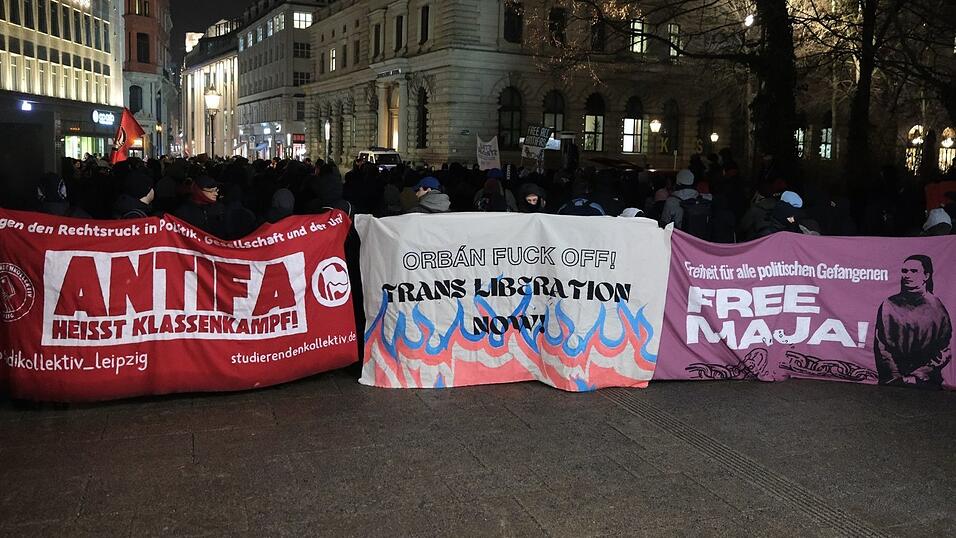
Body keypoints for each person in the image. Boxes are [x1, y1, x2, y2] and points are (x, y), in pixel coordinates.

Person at [874, 255, 952, 388]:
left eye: (914, 271)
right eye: (904, 271)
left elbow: (945, 348)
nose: (907, 275)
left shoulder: (938, 308)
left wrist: (919, 374)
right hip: (893, 382)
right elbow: (882, 344)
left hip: (927, 382)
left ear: (926, 276)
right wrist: (896, 377)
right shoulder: (889, 305)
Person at [661, 169, 712, 239]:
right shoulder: (703, 199)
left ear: (677, 182)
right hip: (699, 238)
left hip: (680, 239)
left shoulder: (671, 201)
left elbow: (664, 222)